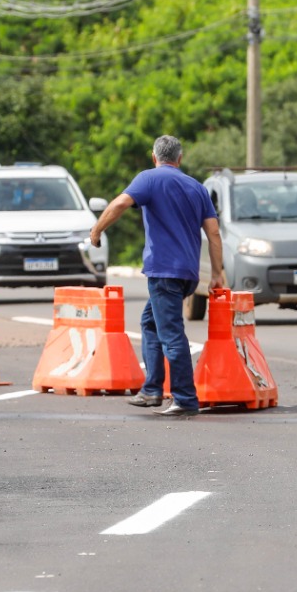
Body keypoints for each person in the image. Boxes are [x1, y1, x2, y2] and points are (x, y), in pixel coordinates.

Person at [89, 135, 226, 418]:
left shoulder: (149, 179)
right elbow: (213, 232)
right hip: (187, 274)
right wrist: (216, 274)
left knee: (171, 334)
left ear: (154, 157)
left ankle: (185, 398)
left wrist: (96, 230)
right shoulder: (197, 187)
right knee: (150, 322)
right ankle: (152, 389)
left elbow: (118, 204)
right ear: (180, 158)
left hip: (163, 271)